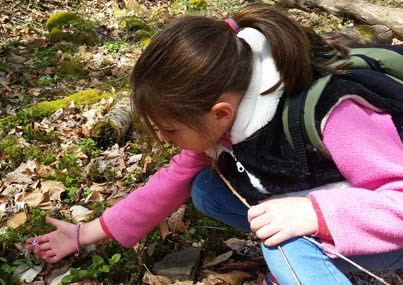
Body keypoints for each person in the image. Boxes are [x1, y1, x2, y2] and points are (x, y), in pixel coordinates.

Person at [27, 4, 403, 284]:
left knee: (284, 244)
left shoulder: (333, 112)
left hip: (386, 221)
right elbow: (168, 182)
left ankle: (307, 263)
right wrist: (86, 232)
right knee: (207, 189)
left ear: (221, 112)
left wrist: (315, 217)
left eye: (170, 130)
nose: (163, 139)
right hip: (341, 200)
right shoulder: (223, 119)